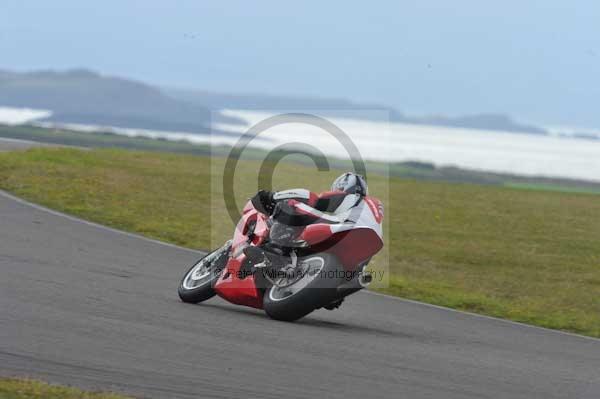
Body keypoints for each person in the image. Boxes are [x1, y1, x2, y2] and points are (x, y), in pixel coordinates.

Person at [251, 172, 368, 227]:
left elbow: (313, 199)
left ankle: (275, 248)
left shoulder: (348, 197)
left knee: (290, 204)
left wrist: (271, 197)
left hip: (343, 226)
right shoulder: (372, 207)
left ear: (342, 185)